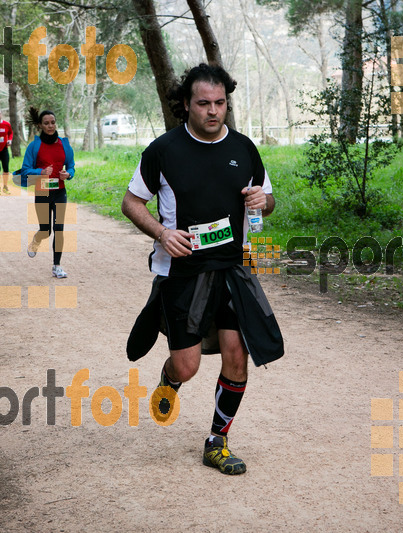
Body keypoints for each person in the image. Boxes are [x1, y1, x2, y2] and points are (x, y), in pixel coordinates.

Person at [121, 63, 284, 475]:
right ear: (186, 105)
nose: (214, 111)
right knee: (188, 365)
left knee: (237, 357)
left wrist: (262, 203)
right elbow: (131, 203)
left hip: (234, 268)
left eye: (220, 103)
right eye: (204, 103)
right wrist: (161, 233)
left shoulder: (244, 148)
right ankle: (170, 378)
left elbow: (268, 199)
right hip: (183, 272)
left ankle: (217, 441)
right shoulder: (163, 150)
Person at [14, 107, 75, 279]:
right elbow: (25, 170)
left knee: (59, 229)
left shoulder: (64, 144)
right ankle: (36, 240)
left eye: (53, 122)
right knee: (46, 230)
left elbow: (71, 166)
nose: (50, 126)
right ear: (40, 125)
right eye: (46, 123)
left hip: (60, 192)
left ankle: (57, 266)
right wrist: (40, 172)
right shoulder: (34, 146)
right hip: (42, 192)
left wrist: (68, 174)